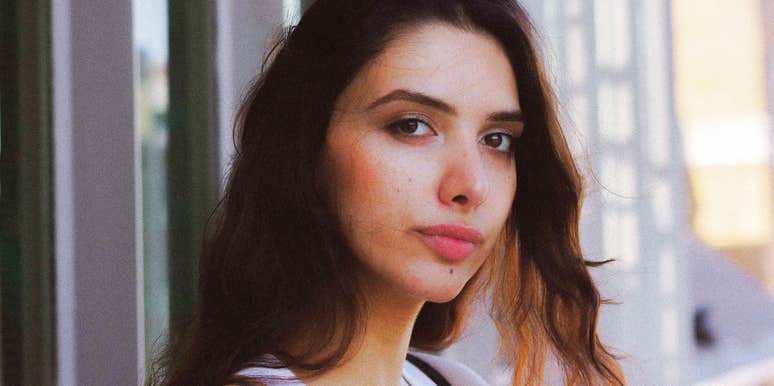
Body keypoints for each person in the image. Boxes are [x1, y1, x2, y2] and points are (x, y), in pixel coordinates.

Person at [150, 1, 625, 385]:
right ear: (305, 146)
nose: (471, 186)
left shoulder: (450, 379)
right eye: (411, 126)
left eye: (496, 139)